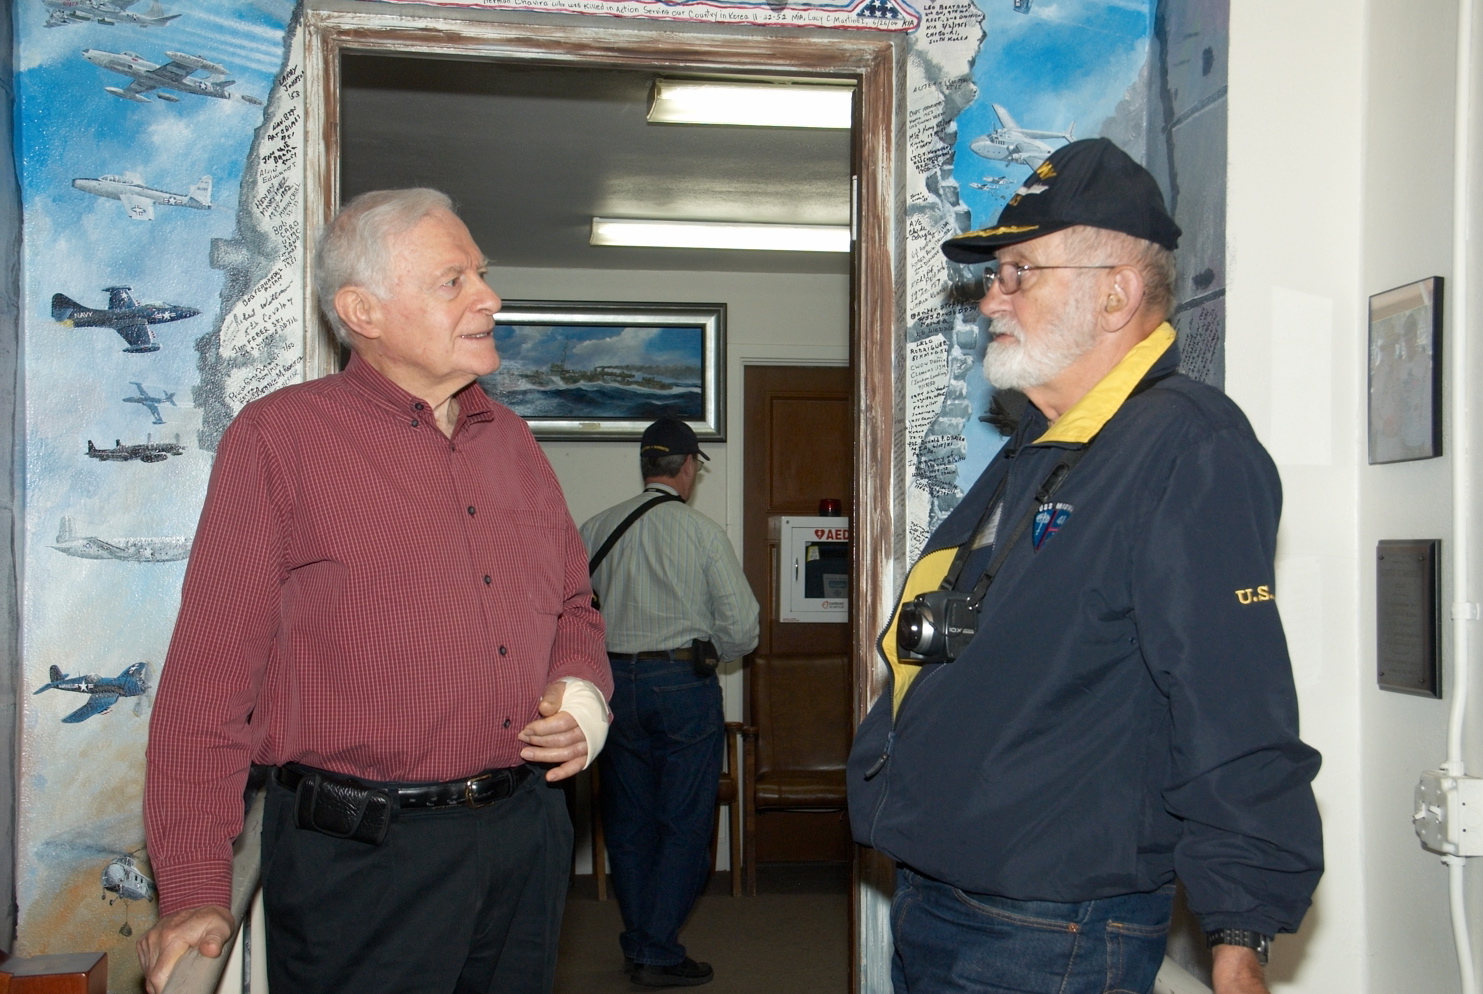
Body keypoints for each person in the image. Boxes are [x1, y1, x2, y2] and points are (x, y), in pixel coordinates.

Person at [847, 139, 1323, 994]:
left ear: (1115, 293)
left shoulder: (1187, 445)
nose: (991, 299)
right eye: (994, 275)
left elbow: (1230, 694)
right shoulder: (1040, 448)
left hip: (1047, 927)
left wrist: (1238, 926)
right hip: (950, 896)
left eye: (1019, 272)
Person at [136, 188, 612, 994]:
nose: (488, 298)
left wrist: (581, 699)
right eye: (452, 280)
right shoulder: (279, 440)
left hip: (525, 838)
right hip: (363, 863)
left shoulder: (517, 443)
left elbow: (574, 606)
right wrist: (190, 893)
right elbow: (207, 685)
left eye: (482, 276)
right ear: (363, 310)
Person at [580, 418, 759, 987]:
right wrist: (714, 652)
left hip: (611, 687)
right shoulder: (702, 534)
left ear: (645, 466)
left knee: (628, 823)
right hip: (681, 685)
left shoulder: (594, 529)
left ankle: (640, 940)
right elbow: (743, 630)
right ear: (687, 468)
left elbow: (572, 613)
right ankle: (656, 949)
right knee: (684, 824)